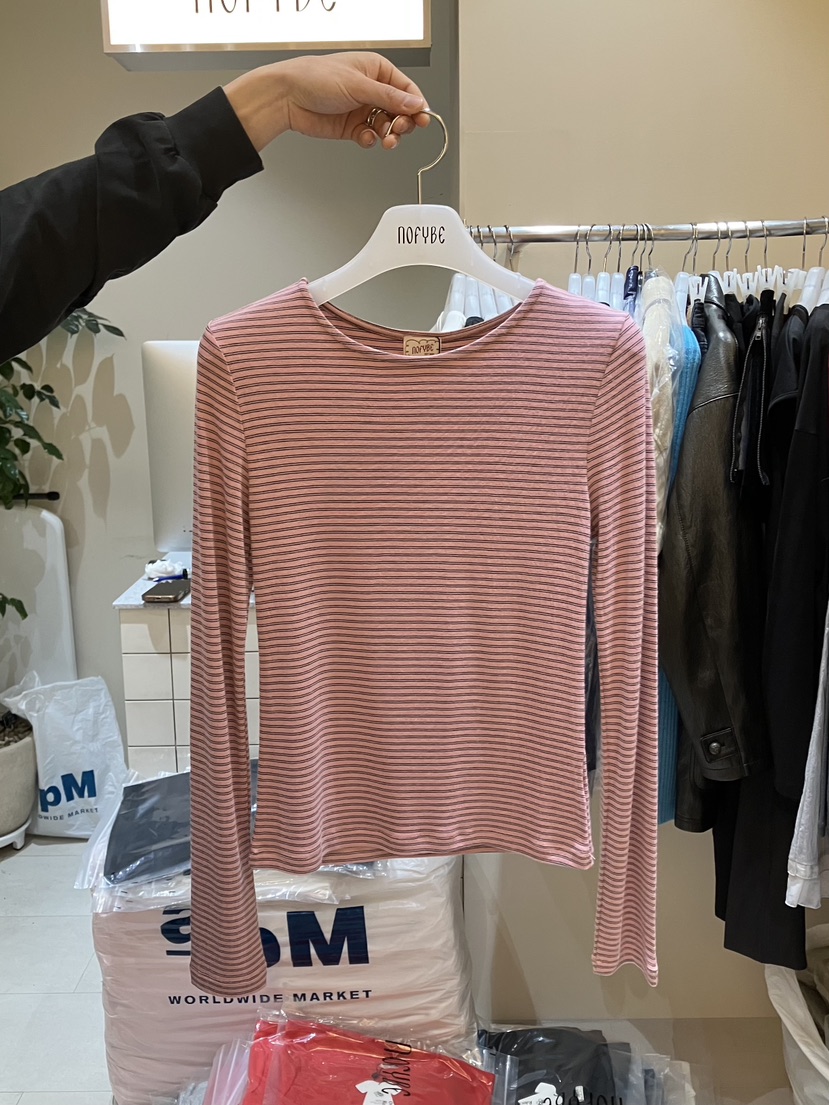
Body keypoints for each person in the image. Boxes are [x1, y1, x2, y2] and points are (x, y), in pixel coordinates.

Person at [0, 52, 429, 363]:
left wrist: (278, 97)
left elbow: (34, 244)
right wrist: (276, 97)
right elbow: (37, 244)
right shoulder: (243, 357)